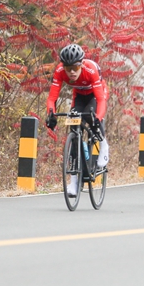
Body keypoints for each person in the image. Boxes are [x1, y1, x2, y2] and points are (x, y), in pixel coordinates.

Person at [45, 44, 109, 196]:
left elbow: (100, 99)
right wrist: (51, 115)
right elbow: (52, 98)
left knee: (90, 117)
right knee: (74, 128)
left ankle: (103, 144)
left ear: (81, 64)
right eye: (68, 68)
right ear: (63, 67)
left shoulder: (90, 70)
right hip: (79, 96)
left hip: (95, 94)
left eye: (75, 67)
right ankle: (74, 183)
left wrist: (98, 118)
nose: (72, 72)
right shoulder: (60, 71)